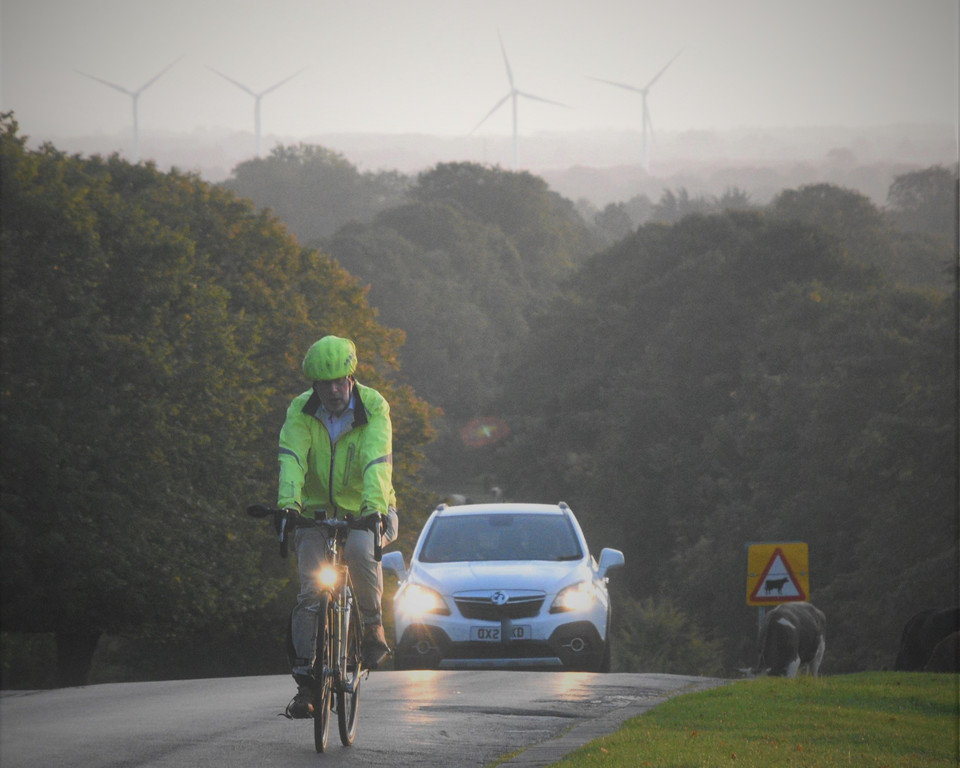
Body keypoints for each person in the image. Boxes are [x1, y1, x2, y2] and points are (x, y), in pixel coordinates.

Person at [277, 335, 399, 718]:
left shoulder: (374, 406)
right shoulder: (299, 410)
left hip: (367, 509)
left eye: (339, 380)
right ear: (313, 385)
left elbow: (375, 461)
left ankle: (372, 626)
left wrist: (374, 509)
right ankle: (306, 685)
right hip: (314, 512)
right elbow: (292, 458)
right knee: (312, 589)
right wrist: (288, 506)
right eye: (323, 382)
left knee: (362, 552)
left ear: (351, 376)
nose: (333, 390)